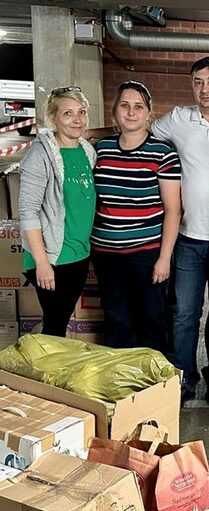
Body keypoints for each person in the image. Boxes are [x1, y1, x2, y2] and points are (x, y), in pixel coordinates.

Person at [152, 57, 209, 405]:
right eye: (198, 82)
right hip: (188, 238)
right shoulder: (177, 119)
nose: (205, 88)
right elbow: (141, 136)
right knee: (185, 314)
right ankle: (184, 378)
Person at [91, 81, 181, 354]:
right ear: (115, 111)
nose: (131, 112)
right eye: (124, 105)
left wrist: (164, 259)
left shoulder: (163, 154)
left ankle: (155, 389)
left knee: (151, 321)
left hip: (146, 253)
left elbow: (173, 210)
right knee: (117, 321)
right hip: (106, 253)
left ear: (149, 113)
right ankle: (121, 387)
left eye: (138, 107)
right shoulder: (100, 149)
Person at [19, 86, 96, 337]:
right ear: (53, 118)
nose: (77, 120)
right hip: (53, 256)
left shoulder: (87, 151)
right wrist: (42, 263)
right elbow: (28, 212)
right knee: (55, 325)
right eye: (68, 113)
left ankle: (49, 370)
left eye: (81, 112)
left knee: (58, 322)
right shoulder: (39, 156)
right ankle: (43, 375)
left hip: (79, 253)